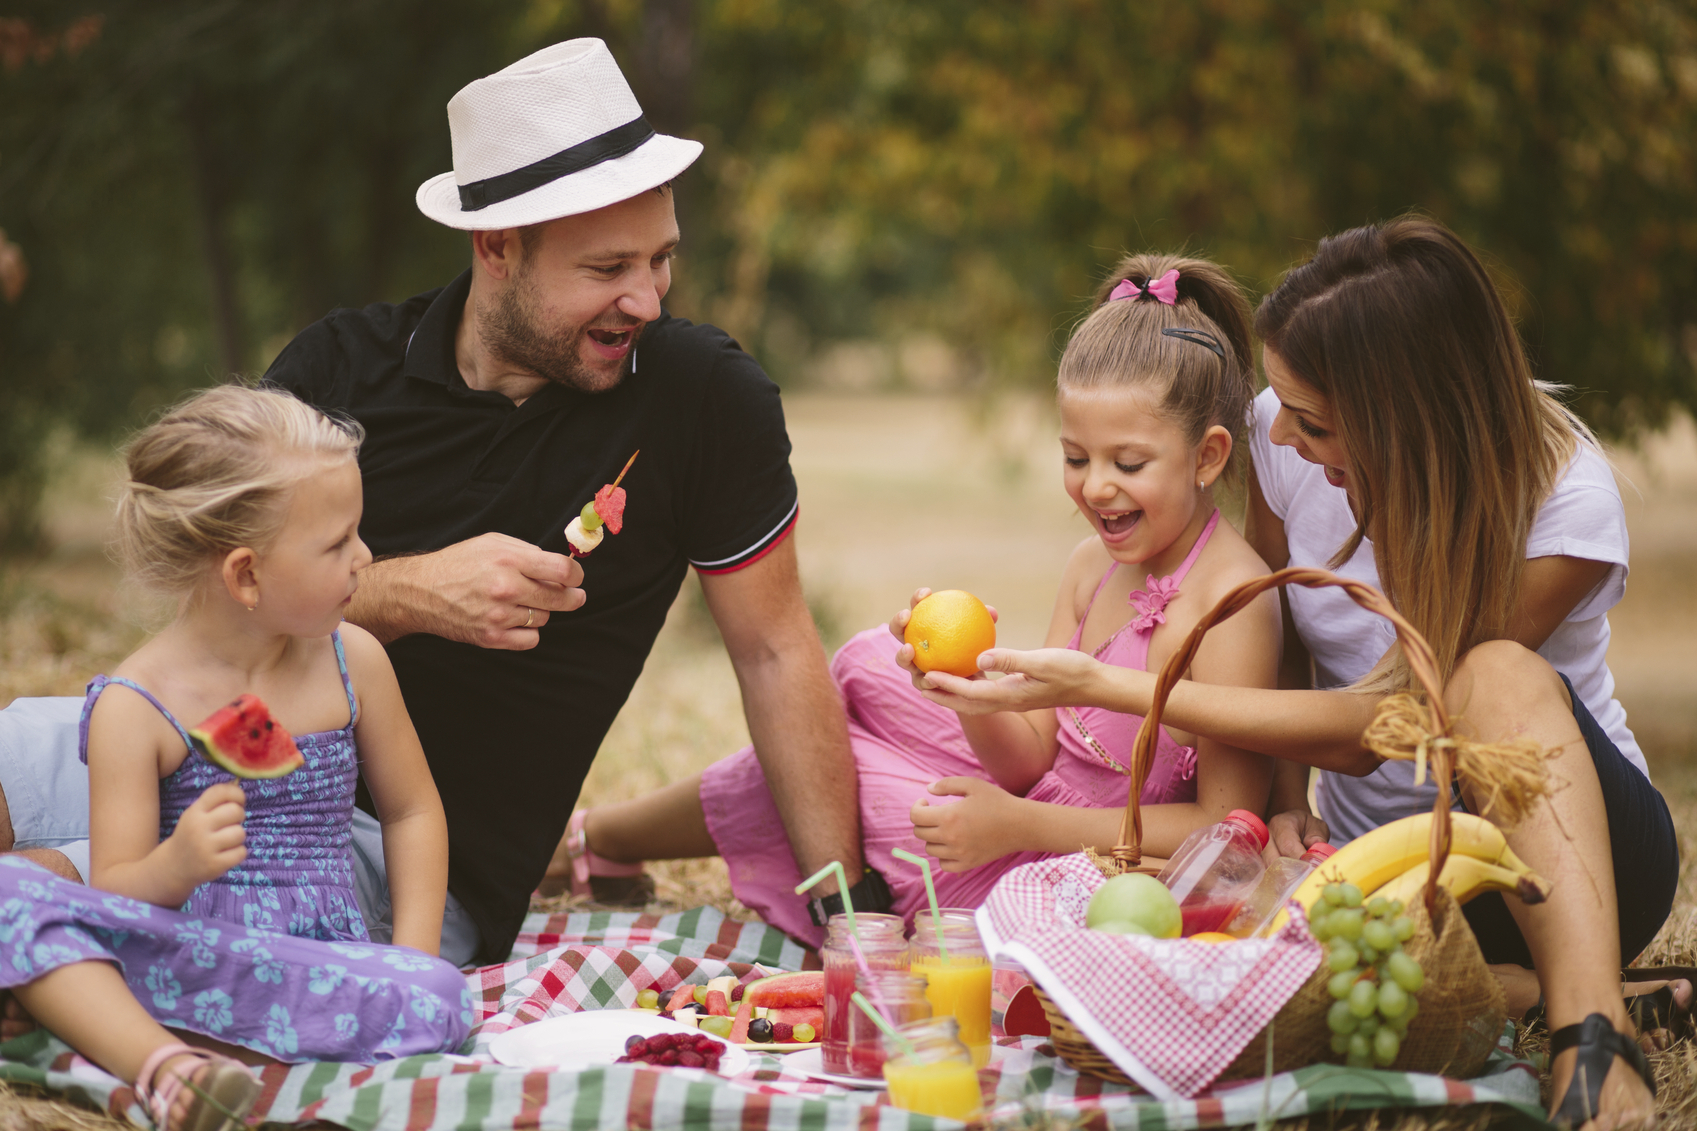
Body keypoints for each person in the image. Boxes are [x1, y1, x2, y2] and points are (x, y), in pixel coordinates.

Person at [911, 217, 1685, 1128]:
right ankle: (1529, 993)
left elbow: (1391, 722)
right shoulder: (1284, 438)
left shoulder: (1565, 502)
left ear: (1406, 416)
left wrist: (1107, 685)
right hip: (1369, 871)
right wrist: (1281, 802)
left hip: (1557, 860)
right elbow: (1276, 639)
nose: (1287, 440)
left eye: (1315, 423)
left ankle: (1592, 1038)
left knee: (1491, 670)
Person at [253, 38, 867, 963]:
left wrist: (848, 918)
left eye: (659, 259)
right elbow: (217, 608)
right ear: (497, 246)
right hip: (209, 757)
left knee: (61, 895)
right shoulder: (334, 369)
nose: (647, 300)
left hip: (400, 869)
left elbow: (776, 652)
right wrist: (400, 594)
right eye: (606, 269)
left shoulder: (700, 398)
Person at [568, 254, 1282, 945]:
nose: (1095, 486)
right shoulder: (1090, 564)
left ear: (1208, 455)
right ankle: (595, 838)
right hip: (1031, 806)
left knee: (833, 764)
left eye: (1127, 463)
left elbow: (1223, 829)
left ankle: (593, 838)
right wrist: (968, 690)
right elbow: (1032, 761)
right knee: (871, 662)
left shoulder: (1231, 604)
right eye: (1074, 457)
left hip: (1089, 864)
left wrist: (1017, 826)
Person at [0, 386, 471, 1131]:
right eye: (338, 542)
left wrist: (413, 962)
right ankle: (170, 1071)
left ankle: (107, 1037)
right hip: (185, 962)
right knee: (5, 891)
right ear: (246, 574)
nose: (366, 556)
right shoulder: (135, 702)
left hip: (324, 972)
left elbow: (412, 809)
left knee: (445, 996)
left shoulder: (356, 662)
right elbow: (123, 895)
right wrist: (177, 863)